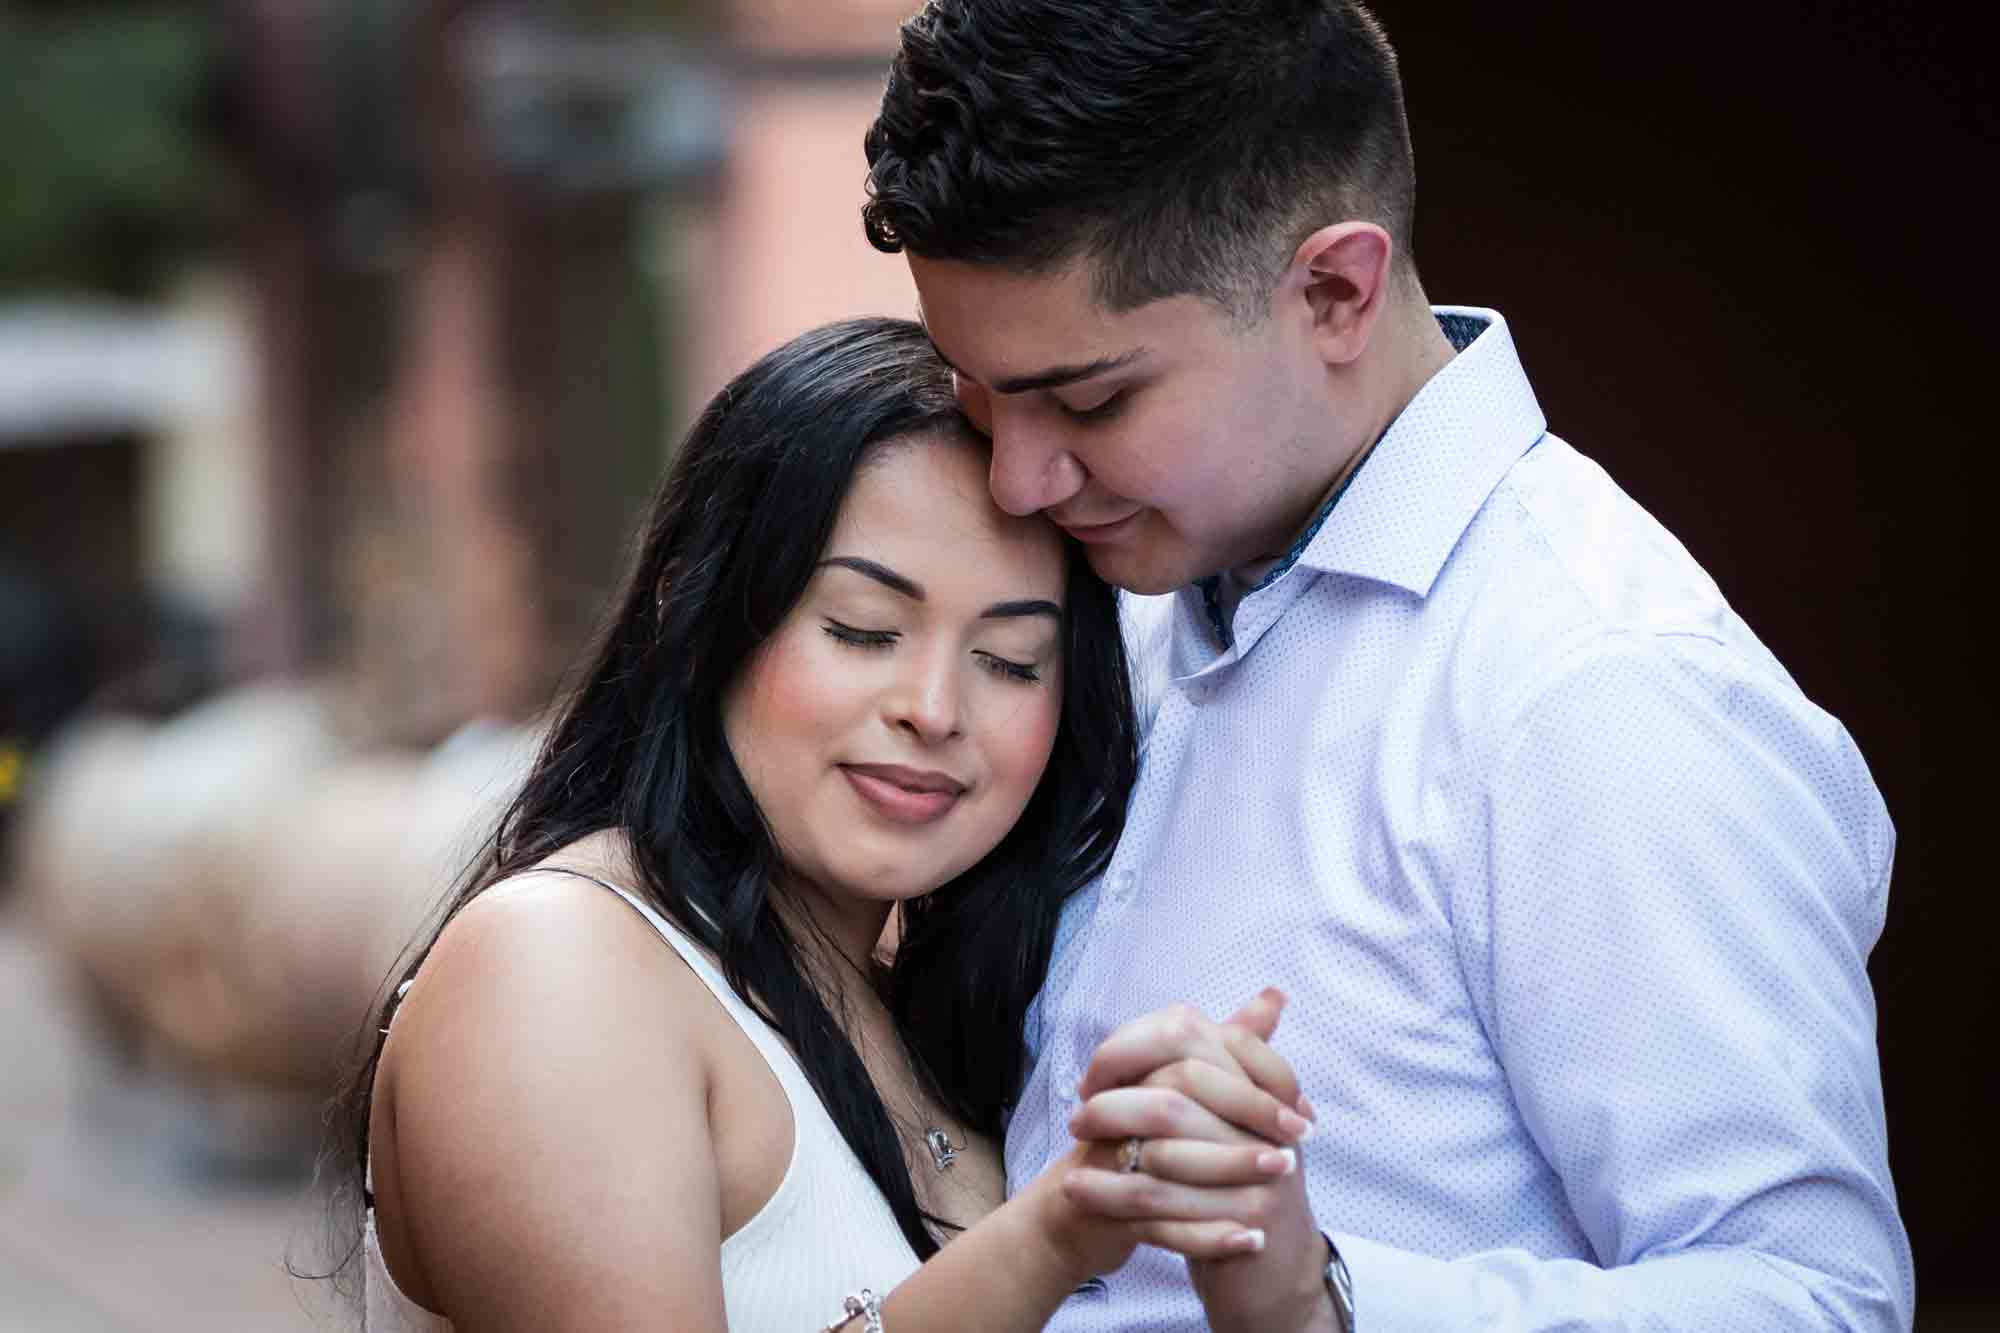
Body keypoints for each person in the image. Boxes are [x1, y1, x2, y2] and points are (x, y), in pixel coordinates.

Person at [860, 3, 1914, 1330]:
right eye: (976, 390)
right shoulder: (1122, 581)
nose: (1017, 474)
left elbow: (1818, 1301)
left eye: (1090, 401)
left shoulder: (1597, 689)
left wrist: (1324, 1300)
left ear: (1335, 291)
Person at [332, 317, 1313, 1332]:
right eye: (862, 630)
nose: (933, 709)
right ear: (697, 609)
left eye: (1011, 660)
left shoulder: (931, 1017)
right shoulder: (557, 961)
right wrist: (1052, 1234)